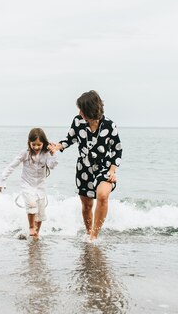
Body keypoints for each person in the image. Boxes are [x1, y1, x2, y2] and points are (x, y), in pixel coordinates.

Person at [48, 90, 122, 241]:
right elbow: (70, 139)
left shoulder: (109, 125)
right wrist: (58, 147)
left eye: (82, 109)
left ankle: (94, 236)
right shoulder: (77, 121)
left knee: (102, 196)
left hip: (104, 168)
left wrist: (113, 170)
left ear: (91, 109)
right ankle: (89, 234)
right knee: (87, 206)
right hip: (83, 169)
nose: (79, 112)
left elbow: (117, 149)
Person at [0, 128, 58, 238]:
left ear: (43, 143)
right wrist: (2, 181)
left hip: (40, 186)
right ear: (29, 143)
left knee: (40, 212)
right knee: (31, 204)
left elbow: (52, 166)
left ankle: (36, 233)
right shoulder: (25, 154)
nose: (36, 147)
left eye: (39, 145)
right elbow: (12, 166)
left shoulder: (46, 154)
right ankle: (31, 227)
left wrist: (53, 153)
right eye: (33, 144)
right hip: (27, 185)